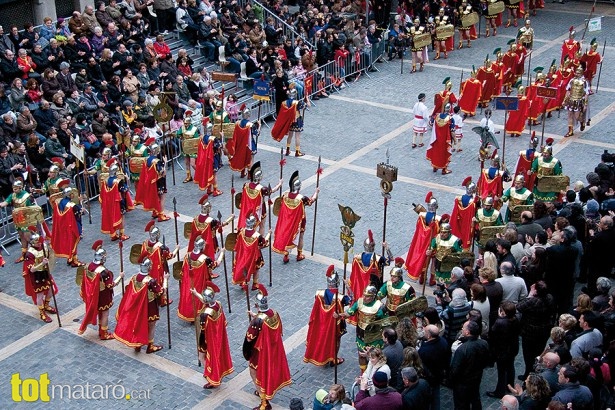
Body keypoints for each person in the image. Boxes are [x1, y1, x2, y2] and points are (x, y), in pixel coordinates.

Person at [243, 284, 291, 410]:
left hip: (261, 352)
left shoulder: (257, 321)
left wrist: (254, 321)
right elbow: (272, 328)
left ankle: (264, 402)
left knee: (254, 371)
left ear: (258, 305)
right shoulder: (275, 314)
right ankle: (261, 392)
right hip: (273, 350)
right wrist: (256, 316)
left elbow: (249, 339)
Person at [114, 258, 168, 353]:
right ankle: (150, 346)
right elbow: (162, 292)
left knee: (140, 323)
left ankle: (138, 344)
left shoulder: (134, 278)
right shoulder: (151, 281)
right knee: (151, 325)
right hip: (150, 305)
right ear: (148, 267)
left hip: (139, 306)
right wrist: (166, 280)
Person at [304, 265, 351, 367]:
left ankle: (325, 355)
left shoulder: (319, 293)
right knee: (336, 340)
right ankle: (334, 358)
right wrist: (348, 287)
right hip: (335, 322)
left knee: (323, 337)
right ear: (337, 282)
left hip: (322, 321)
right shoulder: (341, 297)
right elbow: (352, 300)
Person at [190, 282, 234, 389]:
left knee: (202, 357)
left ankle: (212, 376)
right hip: (218, 336)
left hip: (208, 338)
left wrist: (202, 343)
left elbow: (203, 329)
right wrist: (196, 293)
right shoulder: (218, 304)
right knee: (214, 356)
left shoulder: (205, 314)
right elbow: (206, 302)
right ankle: (212, 373)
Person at [78, 240, 123, 338]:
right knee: (105, 313)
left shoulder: (88, 266)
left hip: (94, 294)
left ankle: (101, 329)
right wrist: (120, 277)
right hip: (103, 295)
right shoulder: (103, 272)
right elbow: (110, 285)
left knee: (100, 312)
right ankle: (104, 333)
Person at [272, 170, 319, 263]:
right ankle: (299, 254)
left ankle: (286, 255)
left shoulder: (285, 196)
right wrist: (316, 193)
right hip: (299, 220)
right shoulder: (302, 198)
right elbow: (311, 201)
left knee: (287, 235)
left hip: (287, 221)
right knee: (301, 236)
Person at [337, 286, 385, 373]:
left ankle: (374, 373)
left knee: (376, 356)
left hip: (374, 335)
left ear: (373, 296)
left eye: (367, 296)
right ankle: (363, 372)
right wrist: (340, 315)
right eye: (364, 295)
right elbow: (349, 312)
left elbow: (385, 322)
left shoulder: (380, 307)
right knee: (361, 355)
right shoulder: (359, 302)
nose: (365, 298)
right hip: (361, 333)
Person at [177, 235, 224, 322]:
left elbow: (183, 271)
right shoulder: (205, 259)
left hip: (190, 281)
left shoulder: (187, 256)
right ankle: (198, 314)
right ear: (202, 246)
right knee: (201, 296)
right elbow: (216, 264)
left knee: (191, 296)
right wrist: (221, 253)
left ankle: (191, 315)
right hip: (200, 282)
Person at [449, 320, 490, 409]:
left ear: (467, 332)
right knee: (475, 398)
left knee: (462, 404)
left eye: (463, 328)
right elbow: (486, 360)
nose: (462, 329)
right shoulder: (484, 343)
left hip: (463, 383)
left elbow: (455, 370)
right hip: (476, 378)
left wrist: (452, 381)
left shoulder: (461, 349)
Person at [236, 162, 282, 236]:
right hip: (260, 209)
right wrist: (279, 184)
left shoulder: (246, 185)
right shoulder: (262, 189)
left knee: (250, 225)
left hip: (248, 209)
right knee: (262, 225)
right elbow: (271, 191)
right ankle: (260, 241)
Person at [487, 301, 521, 399]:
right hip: (513, 348)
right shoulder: (516, 319)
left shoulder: (500, 322)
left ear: (504, 312)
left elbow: (492, 333)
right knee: (510, 367)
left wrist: (499, 317)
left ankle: (499, 392)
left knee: (501, 372)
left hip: (502, 351)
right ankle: (509, 385)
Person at [139, 220, 178, 306]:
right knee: (161, 281)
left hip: (147, 268)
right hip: (158, 268)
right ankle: (163, 300)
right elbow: (170, 256)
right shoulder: (160, 246)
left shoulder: (144, 244)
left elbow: (142, 256)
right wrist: (177, 249)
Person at [22, 230, 58, 323]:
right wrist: (42, 263)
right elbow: (32, 269)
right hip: (37, 276)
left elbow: (49, 255)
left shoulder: (43, 246)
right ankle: (42, 313)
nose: (39, 243)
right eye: (37, 242)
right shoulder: (29, 254)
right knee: (40, 295)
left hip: (45, 272)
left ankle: (46, 305)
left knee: (51, 290)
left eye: (39, 241)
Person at [405, 192, 441, 286]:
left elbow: (419, 228)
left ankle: (422, 278)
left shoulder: (422, 215)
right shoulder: (438, 219)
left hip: (423, 241)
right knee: (433, 260)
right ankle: (432, 279)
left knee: (424, 259)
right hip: (434, 242)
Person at [349, 230, 392, 306]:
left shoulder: (357, 257)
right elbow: (390, 260)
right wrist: (386, 247)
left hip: (362, 282)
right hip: (374, 283)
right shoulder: (378, 258)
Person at [0, 180, 36, 262]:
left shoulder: (27, 196)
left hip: (27, 219)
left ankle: (36, 252)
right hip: (18, 219)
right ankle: (24, 254)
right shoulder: (13, 195)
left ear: (20, 188)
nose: (14, 190)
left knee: (28, 237)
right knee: (22, 236)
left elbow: (31, 209)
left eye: (16, 189)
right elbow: (5, 203)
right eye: (13, 188)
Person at [232, 214, 270, 291]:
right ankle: (255, 283)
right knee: (256, 268)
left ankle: (243, 282)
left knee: (243, 266)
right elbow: (264, 243)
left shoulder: (241, 231)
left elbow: (237, 240)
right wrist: (269, 234)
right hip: (254, 255)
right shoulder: (257, 236)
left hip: (243, 254)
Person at [135, 139, 170, 221]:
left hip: (151, 181)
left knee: (156, 197)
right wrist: (165, 162)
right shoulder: (157, 161)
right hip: (159, 181)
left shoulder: (147, 159)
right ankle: (161, 215)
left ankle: (155, 212)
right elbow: (163, 172)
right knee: (162, 197)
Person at [99, 161, 133, 241]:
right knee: (122, 216)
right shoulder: (118, 181)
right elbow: (125, 189)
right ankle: (122, 234)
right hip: (118, 201)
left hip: (109, 202)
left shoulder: (106, 180)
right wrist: (127, 180)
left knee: (111, 216)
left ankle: (113, 234)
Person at [418, 324, 448, 410]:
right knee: (436, 394)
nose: (423, 332)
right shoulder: (443, 341)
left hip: (429, 377)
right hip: (439, 374)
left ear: (428, 335)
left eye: (425, 331)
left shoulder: (424, 350)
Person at [271, 85, 306, 156]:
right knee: (297, 136)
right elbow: (305, 106)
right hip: (297, 120)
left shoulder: (284, 102)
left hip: (289, 121)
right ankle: (297, 151)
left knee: (290, 136)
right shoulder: (297, 102)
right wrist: (307, 99)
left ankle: (287, 150)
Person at [228, 104, 259, 178]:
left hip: (242, 144)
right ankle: (249, 174)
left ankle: (242, 173)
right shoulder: (250, 125)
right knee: (251, 159)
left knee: (244, 157)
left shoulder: (238, 123)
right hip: (250, 143)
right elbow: (257, 133)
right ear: (248, 115)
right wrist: (259, 125)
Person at [450, 176, 478, 250]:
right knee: (466, 235)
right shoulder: (473, 202)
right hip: (468, 222)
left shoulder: (459, 199)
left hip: (459, 221)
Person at [426, 102, 453, 175]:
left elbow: (431, 123)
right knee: (444, 153)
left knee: (436, 152)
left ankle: (435, 167)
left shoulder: (437, 116)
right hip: (446, 140)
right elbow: (452, 130)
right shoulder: (450, 119)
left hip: (437, 138)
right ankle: (444, 169)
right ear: (450, 109)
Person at [563, 66, 589, 138]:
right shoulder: (572, 80)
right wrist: (565, 100)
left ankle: (582, 121)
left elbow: (586, 93)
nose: (576, 74)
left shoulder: (585, 82)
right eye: (576, 72)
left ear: (581, 73)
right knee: (570, 115)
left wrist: (585, 104)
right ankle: (570, 131)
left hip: (579, 100)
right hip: (571, 100)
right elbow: (568, 90)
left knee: (577, 117)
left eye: (578, 73)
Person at [176, 111, 199, 183]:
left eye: (186, 123)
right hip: (185, 147)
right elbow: (178, 134)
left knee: (192, 163)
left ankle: (199, 174)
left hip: (192, 148)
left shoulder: (194, 129)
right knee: (187, 162)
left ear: (189, 123)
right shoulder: (182, 128)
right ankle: (189, 176)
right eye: (184, 123)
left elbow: (196, 139)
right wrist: (179, 136)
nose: (185, 125)